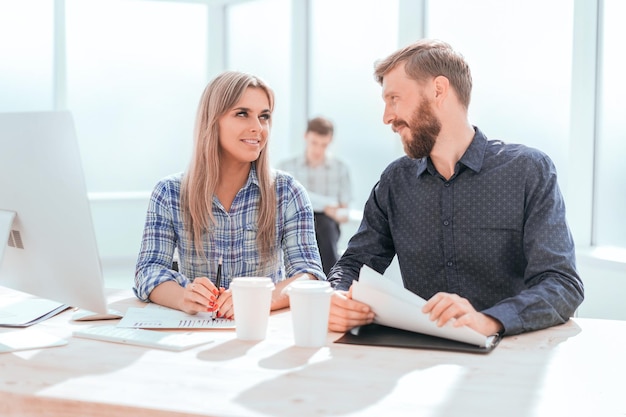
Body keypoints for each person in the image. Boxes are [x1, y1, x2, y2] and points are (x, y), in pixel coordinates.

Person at [327, 39, 584, 337]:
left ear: (438, 90)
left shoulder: (528, 171)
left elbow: (562, 284)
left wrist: (488, 321)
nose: (387, 117)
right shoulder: (395, 182)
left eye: (394, 98)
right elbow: (355, 263)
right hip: (422, 357)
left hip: (510, 358)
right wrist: (336, 294)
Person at [134, 71, 326, 318]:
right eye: (242, 114)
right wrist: (184, 297)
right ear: (213, 121)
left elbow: (308, 275)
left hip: (261, 334)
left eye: (264, 116)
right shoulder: (169, 193)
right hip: (193, 336)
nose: (258, 128)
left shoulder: (288, 192)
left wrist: (256, 299)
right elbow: (148, 271)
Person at [277, 117, 352, 275]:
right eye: (314, 143)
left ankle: (328, 281)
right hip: (293, 220)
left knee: (324, 225)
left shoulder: (340, 168)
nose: (318, 150)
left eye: (323, 145)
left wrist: (333, 212)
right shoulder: (286, 167)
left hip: (327, 224)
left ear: (330, 141)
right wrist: (325, 205)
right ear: (306, 137)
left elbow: (344, 214)